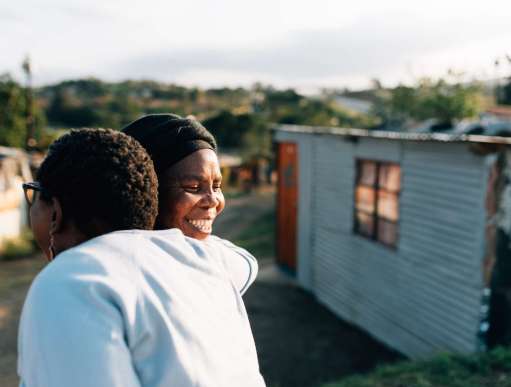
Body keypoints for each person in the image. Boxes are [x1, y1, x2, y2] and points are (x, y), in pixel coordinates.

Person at [18, 128, 266, 387]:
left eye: (35, 194)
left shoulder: (73, 280)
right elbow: (245, 262)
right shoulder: (207, 260)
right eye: (193, 187)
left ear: (55, 211)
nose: (212, 200)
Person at [123, 113, 258, 295]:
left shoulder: (222, 262)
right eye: (193, 187)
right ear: (148, 190)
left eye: (217, 186)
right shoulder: (125, 273)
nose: (213, 201)